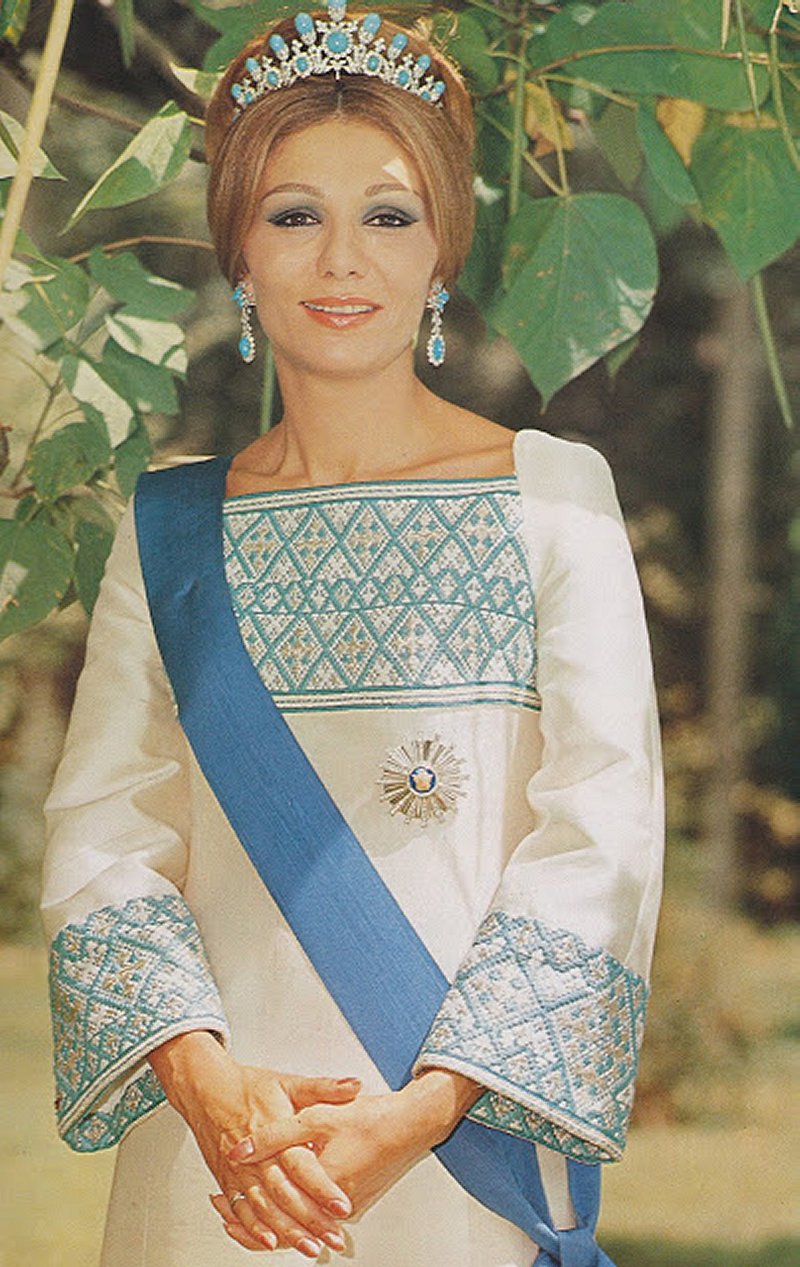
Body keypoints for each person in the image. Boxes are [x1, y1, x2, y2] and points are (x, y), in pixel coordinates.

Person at [40, 3, 664, 1264]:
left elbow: (601, 832)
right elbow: (105, 839)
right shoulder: (164, 533)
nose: (341, 262)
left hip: (454, 1151)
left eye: (386, 216)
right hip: (219, 1170)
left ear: (440, 252)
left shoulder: (551, 498)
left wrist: (418, 1114)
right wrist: (211, 1093)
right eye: (291, 215)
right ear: (239, 253)